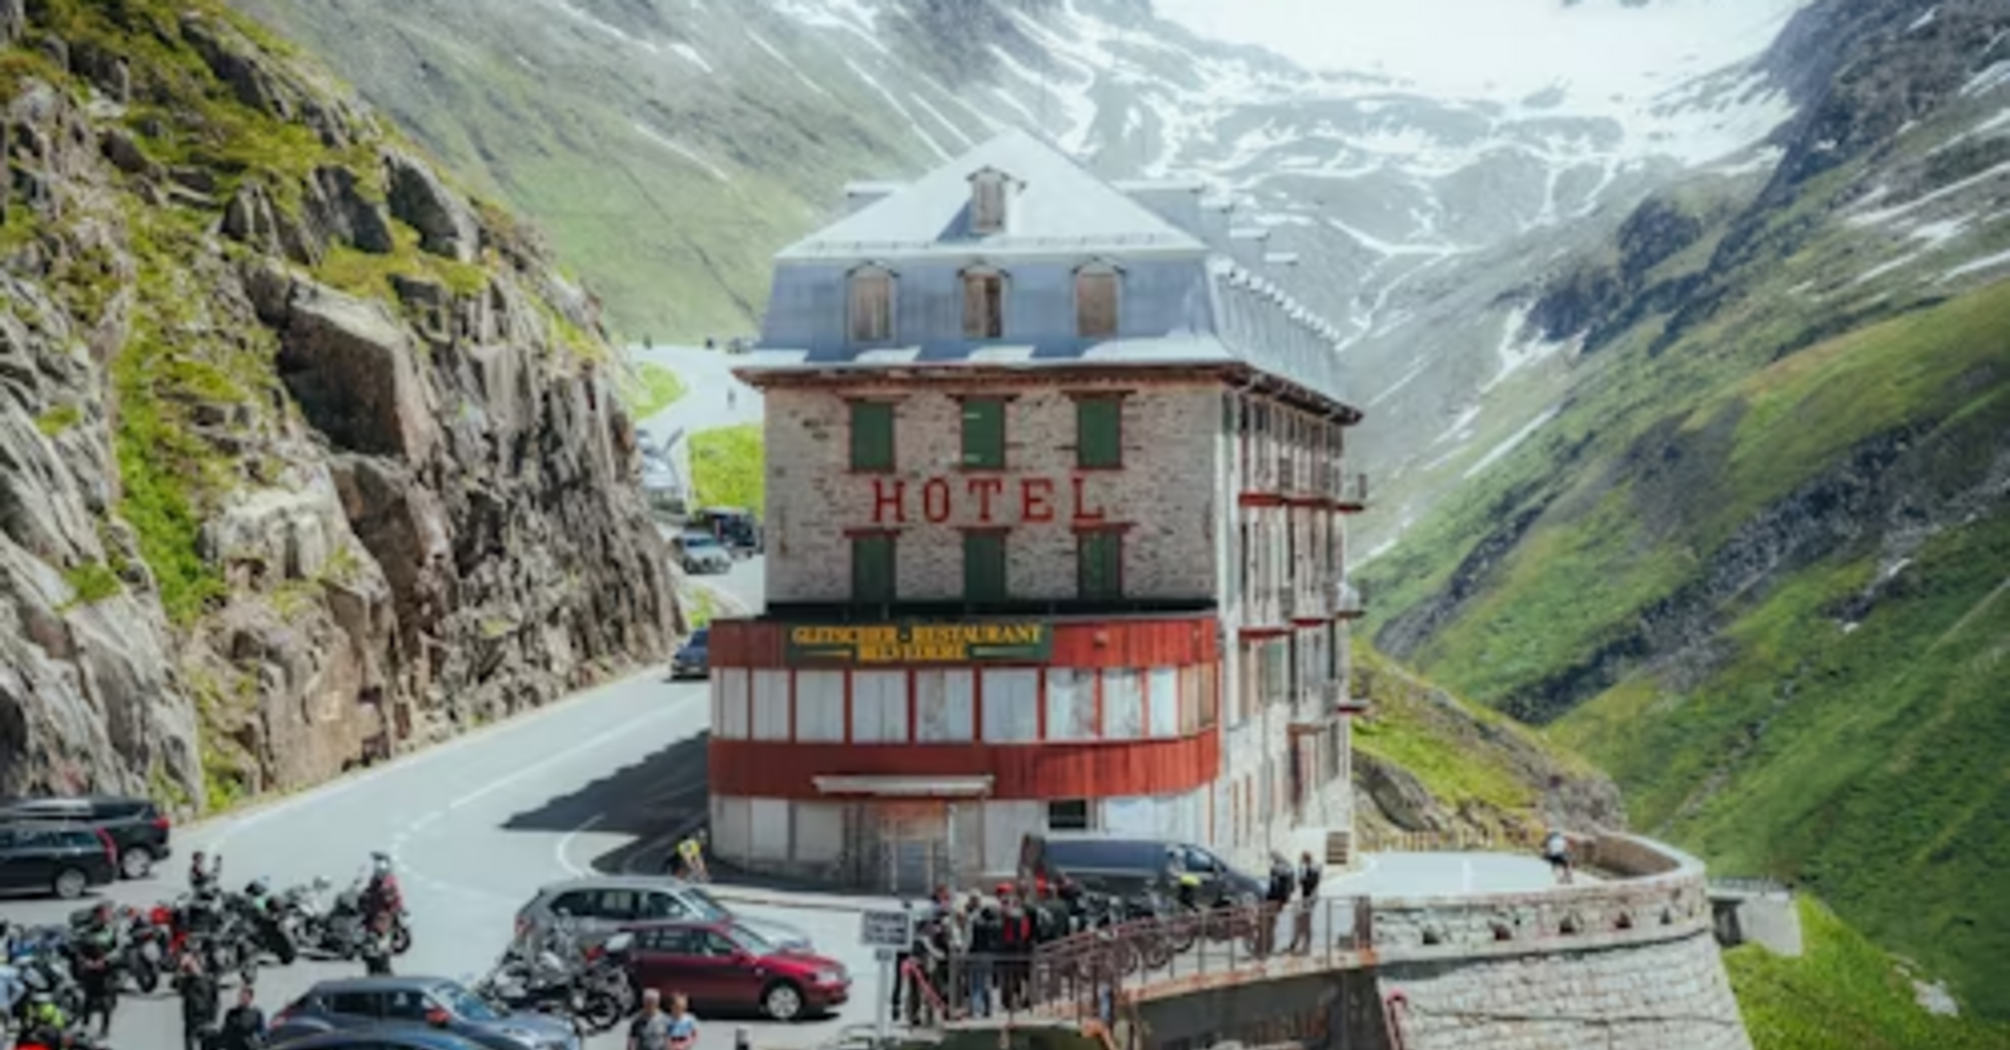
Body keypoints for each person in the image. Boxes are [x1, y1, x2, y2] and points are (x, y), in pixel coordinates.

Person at [74, 902, 118, 1035]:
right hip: (89, 971)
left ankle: (105, 1029)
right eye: (99, 916)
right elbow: (79, 951)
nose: (102, 918)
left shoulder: (110, 932)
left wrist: (104, 961)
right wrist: (86, 962)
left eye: (104, 915)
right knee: (88, 1000)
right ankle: (85, 1026)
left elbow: (117, 950)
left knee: (105, 1002)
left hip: (105, 971)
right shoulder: (85, 933)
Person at [175, 949, 221, 1050]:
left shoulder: (208, 980)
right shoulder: (187, 982)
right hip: (192, 1020)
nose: (192, 968)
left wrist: (213, 1017)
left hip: (205, 1020)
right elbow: (177, 985)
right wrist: (181, 971)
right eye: (189, 967)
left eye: (193, 965)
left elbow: (215, 999)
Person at [1288, 851, 1322, 954]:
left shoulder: (1312, 869)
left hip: (1309, 899)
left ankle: (1305, 946)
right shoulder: (1307, 869)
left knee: (1305, 922)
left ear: (1306, 859)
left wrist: (1302, 880)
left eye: (1302, 859)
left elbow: (1310, 884)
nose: (1301, 861)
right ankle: (1296, 944)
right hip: (1305, 898)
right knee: (1300, 921)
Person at [215, 983, 267, 1050]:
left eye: (245, 997)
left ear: (251, 998)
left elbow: (262, 1031)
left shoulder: (256, 1013)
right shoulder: (232, 1012)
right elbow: (225, 1032)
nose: (242, 999)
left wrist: (261, 1039)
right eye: (241, 996)